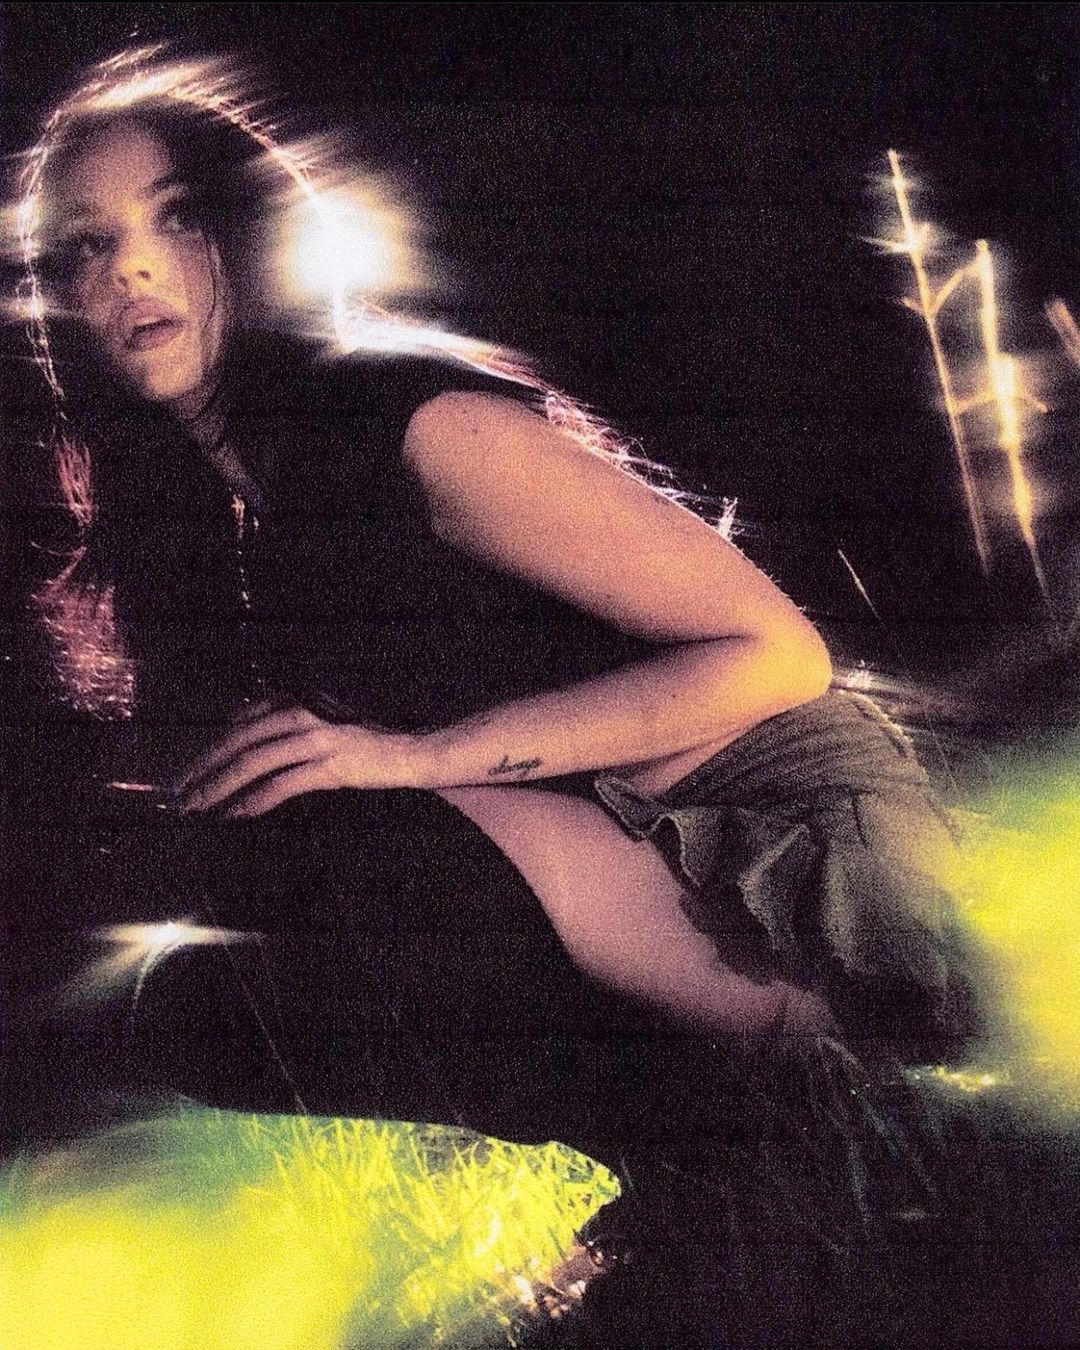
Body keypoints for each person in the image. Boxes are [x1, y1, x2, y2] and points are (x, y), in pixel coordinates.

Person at [5, 50, 988, 1346]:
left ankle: (803, 1096)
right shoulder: (208, 514)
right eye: (87, 245)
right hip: (604, 858)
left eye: (175, 215)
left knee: (335, 830)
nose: (131, 268)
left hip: (791, 858)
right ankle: (696, 1154)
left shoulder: (406, 421)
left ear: (248, 229)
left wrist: (416, 756)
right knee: (194, 979)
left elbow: (775, 654)